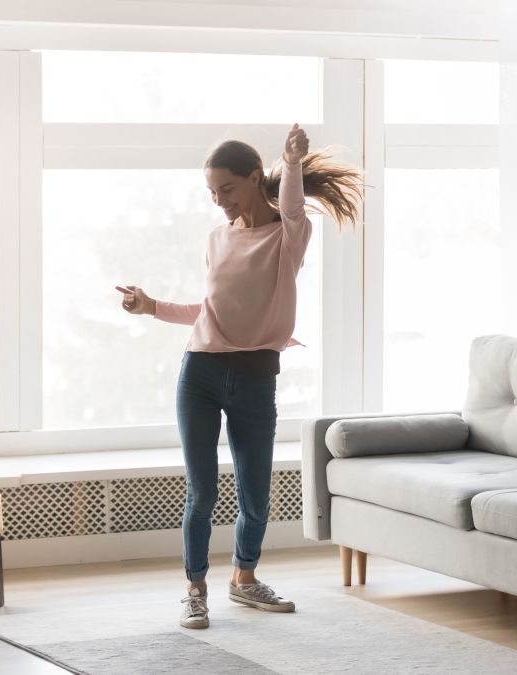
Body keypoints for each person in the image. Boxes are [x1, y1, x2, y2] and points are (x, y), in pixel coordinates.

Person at [115, 124, 362, 629]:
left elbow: (291, 206)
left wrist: (292, 162)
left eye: (226, 189)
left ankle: (244, 580)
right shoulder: (216, 239)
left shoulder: (288, 236)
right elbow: (211, 311)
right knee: (201, 490)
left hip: (255, 378)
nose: (219, 201)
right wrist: (151, 307)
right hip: (200, 373)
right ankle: (195, 588)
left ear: (254, 179)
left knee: (255, 493)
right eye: (211, 193)